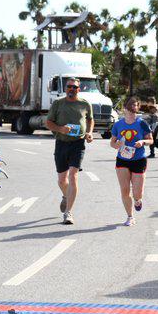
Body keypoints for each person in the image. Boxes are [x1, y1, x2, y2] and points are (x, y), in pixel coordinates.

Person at [46, 78, 94, 225]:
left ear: (79, 89)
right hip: (61, 143)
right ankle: (66, 196)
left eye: (74, 87)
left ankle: (68, 212)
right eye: (69, 87)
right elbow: (48, 123)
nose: (72, 89)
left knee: (73, 176)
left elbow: (90, 120)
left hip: (78, 144)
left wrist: (89, 132)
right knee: (62, 180)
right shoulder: (58, 103)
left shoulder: (85, 104)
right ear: (65, 88)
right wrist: (60, 129)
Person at [110, 97, 154, 226]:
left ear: (137, 108)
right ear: (124, 109)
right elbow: (112, 143)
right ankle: (130, 216)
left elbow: (151, 140)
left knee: (137, 193)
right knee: (124, 190)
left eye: (135, 106)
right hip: (122, 160)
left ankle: (138, 201)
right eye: (130, 107)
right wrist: (117, 144)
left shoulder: (142, 123)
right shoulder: (118, 125)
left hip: (139, 160)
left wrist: (142, 142)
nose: (132, 109)